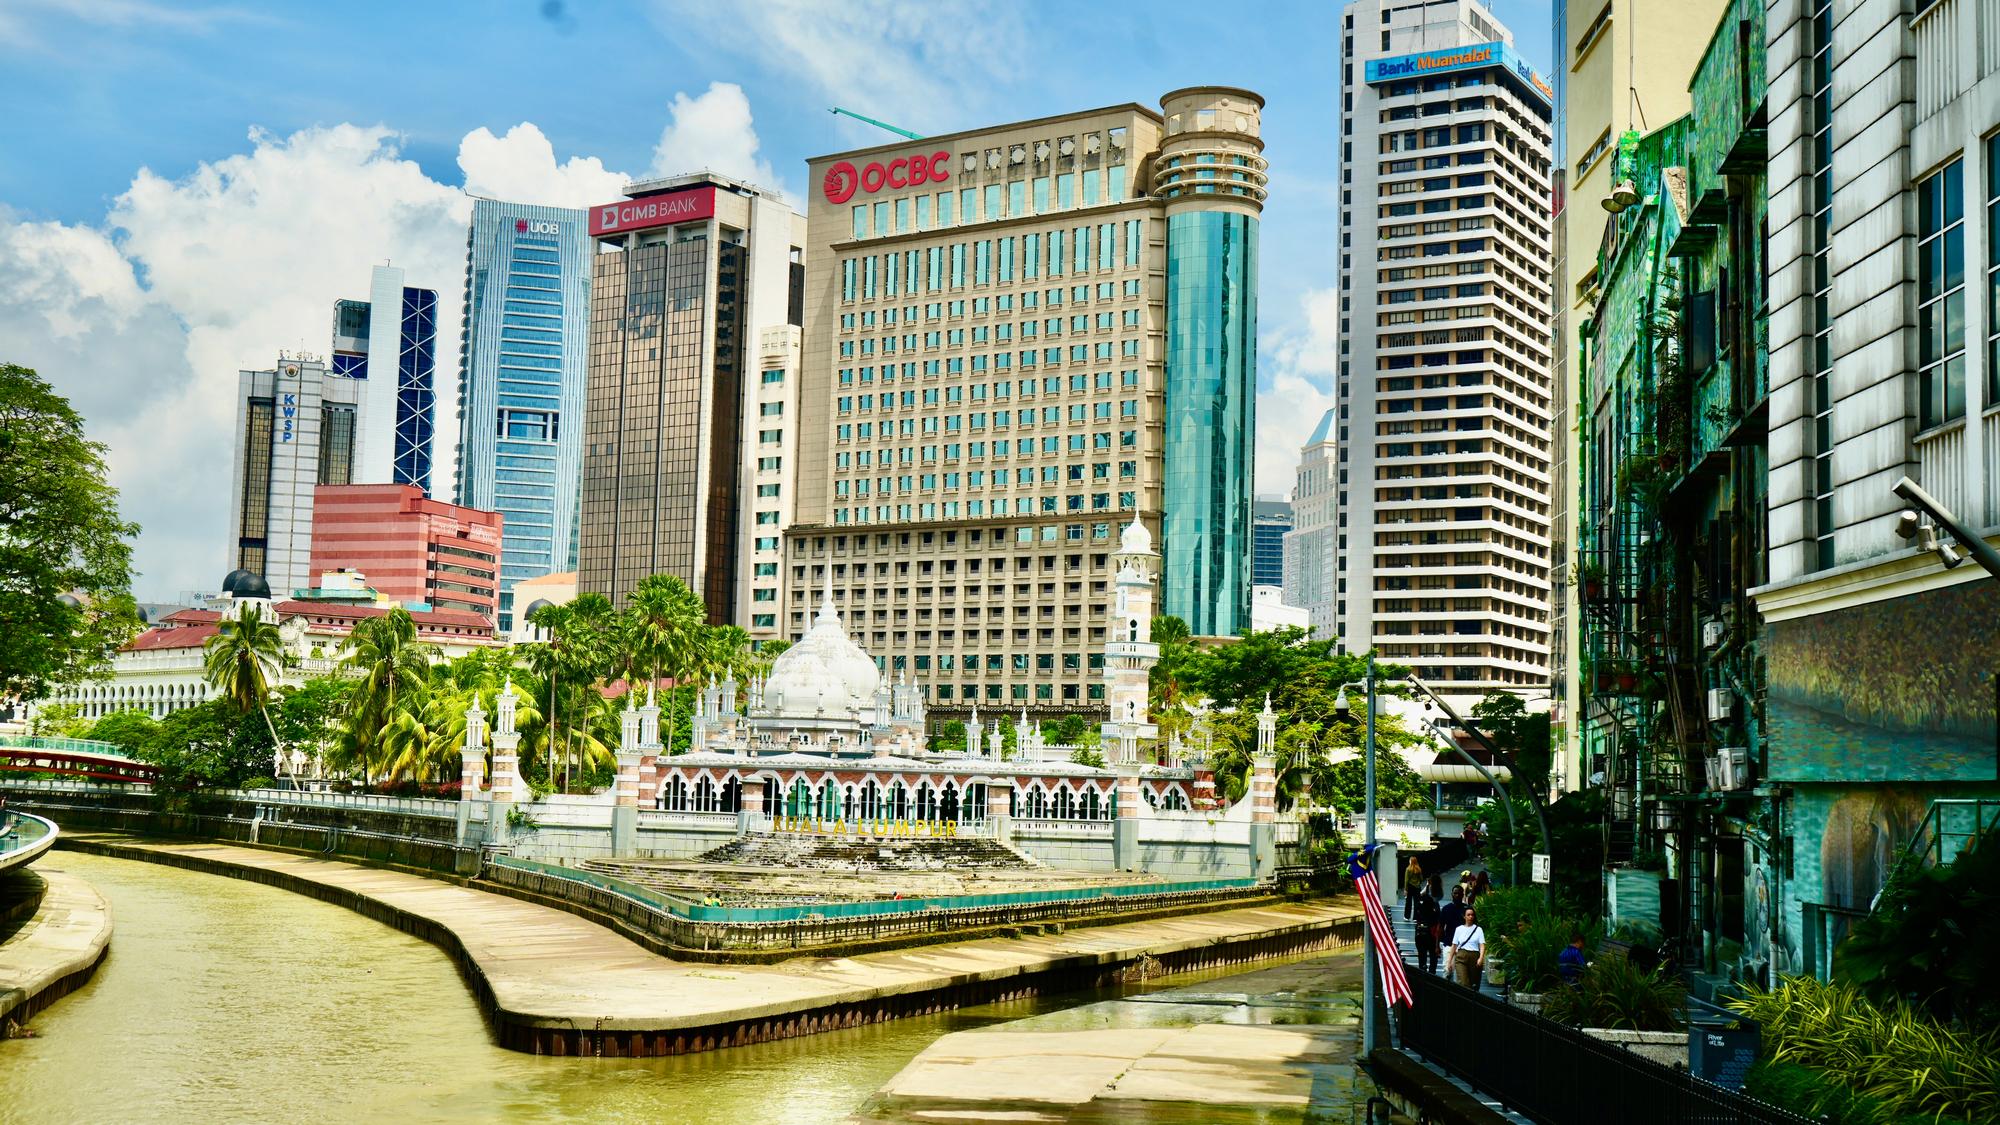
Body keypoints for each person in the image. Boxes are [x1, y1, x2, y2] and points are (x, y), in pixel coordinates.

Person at [1448, 907, 1486, 988]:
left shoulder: (1478, 929)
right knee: (1463, 982)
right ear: (1464, 917)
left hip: (1474, 956)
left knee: (1474, 983)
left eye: (1472, 915)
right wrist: (1450, 961)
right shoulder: (1459, 929)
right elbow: (1454, 945)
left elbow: (1482, 945)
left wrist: (1481, 957)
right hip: (1461, 956)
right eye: (1468, 915)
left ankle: (1471, 999)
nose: (1470, 917)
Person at [1413, 885, 1441, 974]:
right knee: (1433, 958)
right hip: (1432, 934)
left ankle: (1422, 972)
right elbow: (1438, 922)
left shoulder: (1419, 904)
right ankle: (1432, 974)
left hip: (1421, 933)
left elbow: (1416, 917)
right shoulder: (1435, 904)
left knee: (1422, 957)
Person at [1403, 855, 1425, 919]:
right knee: (1417, 903)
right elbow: (1421, 879)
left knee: (1408, 903)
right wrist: (1418, 883)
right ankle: (1416, 917)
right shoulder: (1419, 869)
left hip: (1410, 887)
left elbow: (1406, 880)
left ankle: (1407, 917)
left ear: (1411, 861)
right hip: (1417, 887)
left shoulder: (1408, 869)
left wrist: (1405, 889)